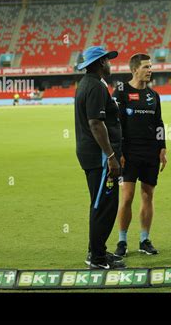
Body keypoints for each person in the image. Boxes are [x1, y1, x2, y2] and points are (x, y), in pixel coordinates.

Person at [74, 45, 125, 269]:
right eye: (107, 60)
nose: (110, 63)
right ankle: (97, 258)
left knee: (101, 203)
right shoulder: (94, 86)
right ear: (100, 63)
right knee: (103, 206)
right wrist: (111, 156)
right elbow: (96, 124)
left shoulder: (88, 84)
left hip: (94, 155)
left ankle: (97, 250)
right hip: (100, 157)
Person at [112, 53, 167, 257]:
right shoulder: (120, 92)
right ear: (134, 69)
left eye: (150, 67)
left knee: (148, 195)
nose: (149, 70)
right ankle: (122, 241)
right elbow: (114, 123)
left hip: (150, 152)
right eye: (146, 67)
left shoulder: (154, 95)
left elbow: (159, 122)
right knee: (127, 197)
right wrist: (118, 152)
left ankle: (144, 240)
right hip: (129, 152)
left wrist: (162, 148)